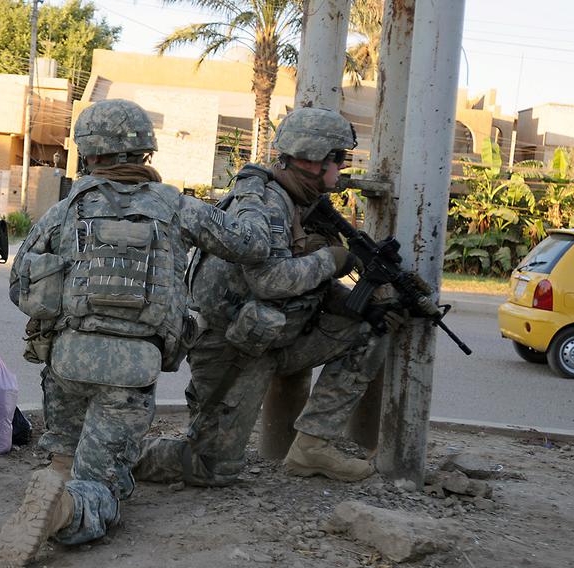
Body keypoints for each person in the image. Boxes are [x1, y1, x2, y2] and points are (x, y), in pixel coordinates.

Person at [0, 98, 272, 566]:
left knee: (66, 450)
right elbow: (252, 245)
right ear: (146, 152)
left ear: (88, 153)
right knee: (104, 486)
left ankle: (58, 479)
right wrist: (250, 196)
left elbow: (22, 283)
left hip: (67, 360)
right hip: (130, 370)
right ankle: (67, 508)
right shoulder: (176, 207)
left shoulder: (65, 210)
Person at [134, 107, 407, 488]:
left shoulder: (300, 203)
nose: (341, 169)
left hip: (274, 337)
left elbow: (297, 271)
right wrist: (333, 259)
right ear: (314, 160)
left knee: (369, 329)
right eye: (339, 159)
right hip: (231, 349)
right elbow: (270, 280)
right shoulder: (265, 205)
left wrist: (348, 301)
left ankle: (312, 446)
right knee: (210, 467)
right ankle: (118, 454)